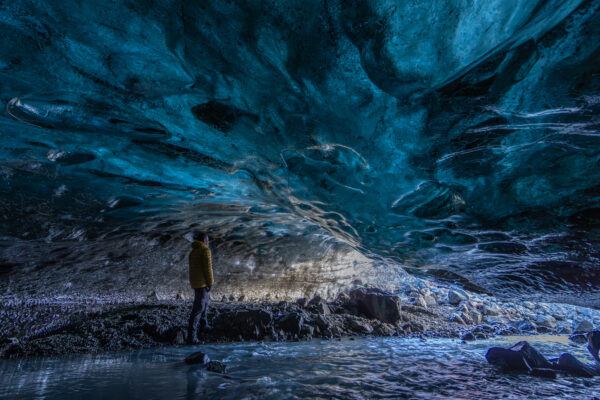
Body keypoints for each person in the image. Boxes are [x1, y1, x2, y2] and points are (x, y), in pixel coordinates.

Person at [187, 232, 214, 344]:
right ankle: (191, 337)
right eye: (207, 239)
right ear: (204, 240)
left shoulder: (193, 252)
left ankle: (204, 324)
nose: (208, 242)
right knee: (198, 308)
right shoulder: (205, 251)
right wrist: (210, 283)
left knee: (205, 302)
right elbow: (208, 269)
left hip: (196, 282)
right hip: (202, 283)